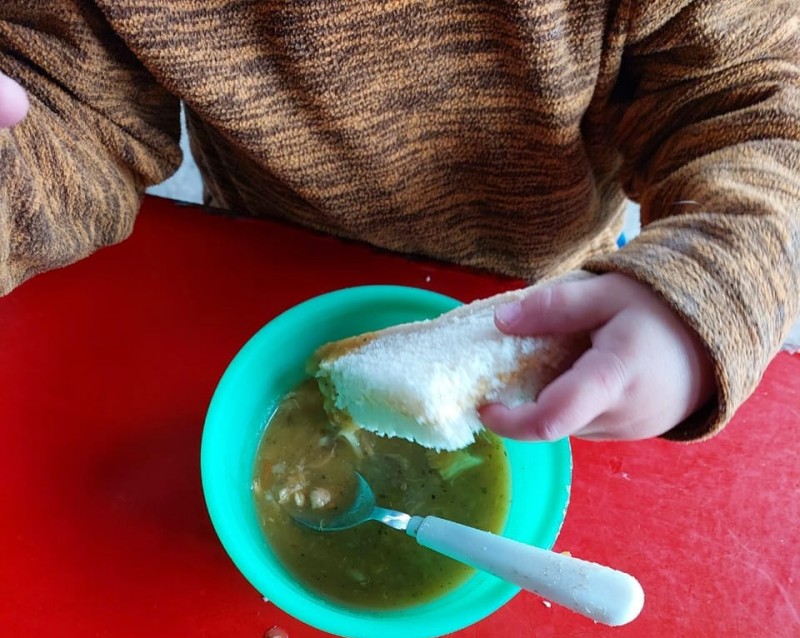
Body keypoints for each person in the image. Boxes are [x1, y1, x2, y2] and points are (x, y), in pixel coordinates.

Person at [1, 2, 798, 445]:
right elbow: (62, 105)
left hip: (553, 299)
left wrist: (710, 287)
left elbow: (757, 101)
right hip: (260, 261)